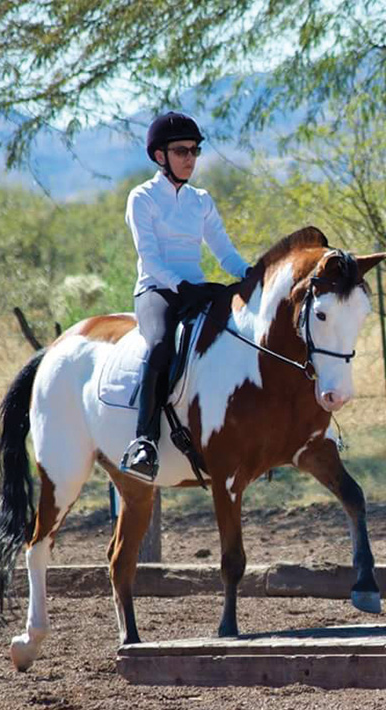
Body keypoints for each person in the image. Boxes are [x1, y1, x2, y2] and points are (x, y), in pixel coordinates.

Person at [120, 111, 251, 481]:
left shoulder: (201, 200)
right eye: (181, 151)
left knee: (239, 337)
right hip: (157, 291)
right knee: (161, 346)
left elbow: (224, 253)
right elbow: (151, 258)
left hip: (196, 289)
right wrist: (183, 286)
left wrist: (249, 274)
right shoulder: (142, 198)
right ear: (160, 156)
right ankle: (144, 441)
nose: (190, 158)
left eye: (195, 151)